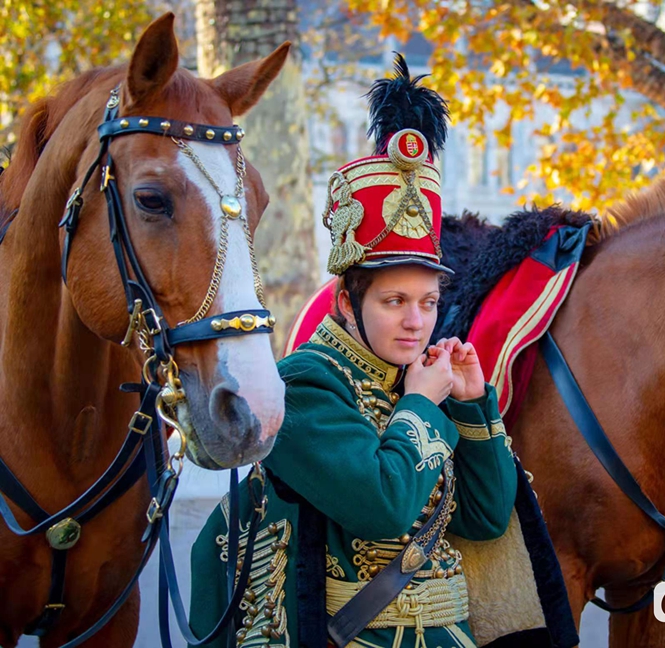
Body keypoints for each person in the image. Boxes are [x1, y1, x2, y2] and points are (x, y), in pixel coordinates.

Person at [190, 54, 517, 648]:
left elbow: (486, 518)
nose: (416, 321)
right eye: (394, 301)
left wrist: (472, 405)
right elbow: (383, 506)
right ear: (346, 300)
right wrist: (422, 405)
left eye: (428, 302)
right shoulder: (306, 384)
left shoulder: (415, 381)